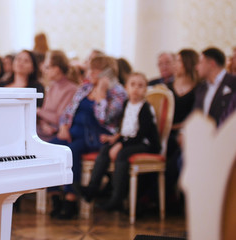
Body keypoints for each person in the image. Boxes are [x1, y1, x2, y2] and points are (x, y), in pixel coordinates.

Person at [48, 56, 127, 219]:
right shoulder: (85, 88)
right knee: (50, 148)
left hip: (96, 137)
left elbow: (104, 118)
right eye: (90, 69)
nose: (90, 73)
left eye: (95, 70)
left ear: (107, 72)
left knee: (71, 151)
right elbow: (68, 110)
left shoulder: (118, 92)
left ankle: (70, 201)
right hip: (74, 132)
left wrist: (102, 94)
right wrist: (63, 126)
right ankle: (55, 197)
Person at [81, 72, 161, 211]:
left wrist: (120, 145)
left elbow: (141, 134)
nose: (136, 89)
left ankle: (117, 198)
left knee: (122, 154)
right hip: (130, 140)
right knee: (105, 149)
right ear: (126, 88)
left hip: (146, 143)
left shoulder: (145, 108)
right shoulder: (126, 104)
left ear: (146, 89)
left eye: (140, 86)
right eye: (133, 85)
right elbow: (125, 129)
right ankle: (92, 189)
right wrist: (114, 138)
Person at [165, 49, 200, 207]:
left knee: (177, 153)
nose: (175, 65)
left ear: (187, 63)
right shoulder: (166, 87)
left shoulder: (198, 88)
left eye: (178, 61)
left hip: (186, 132)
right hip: (165, 132)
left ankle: (173, 196)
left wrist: (180, 128)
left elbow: (196, 115)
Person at [37, 50, 78, 141]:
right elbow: (45, 112)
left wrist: (38, 111)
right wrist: (44, 125)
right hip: (45, 130)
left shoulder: (71, 89)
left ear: (57, 69)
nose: (44, 71)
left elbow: (60, 118)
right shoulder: (52, 86)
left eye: (47, 67)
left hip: (57, 134)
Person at [194, 47, 236, 126]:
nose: (196, 67)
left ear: (212, 64)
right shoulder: (201, 88)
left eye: (200, 62)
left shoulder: (233, 83)